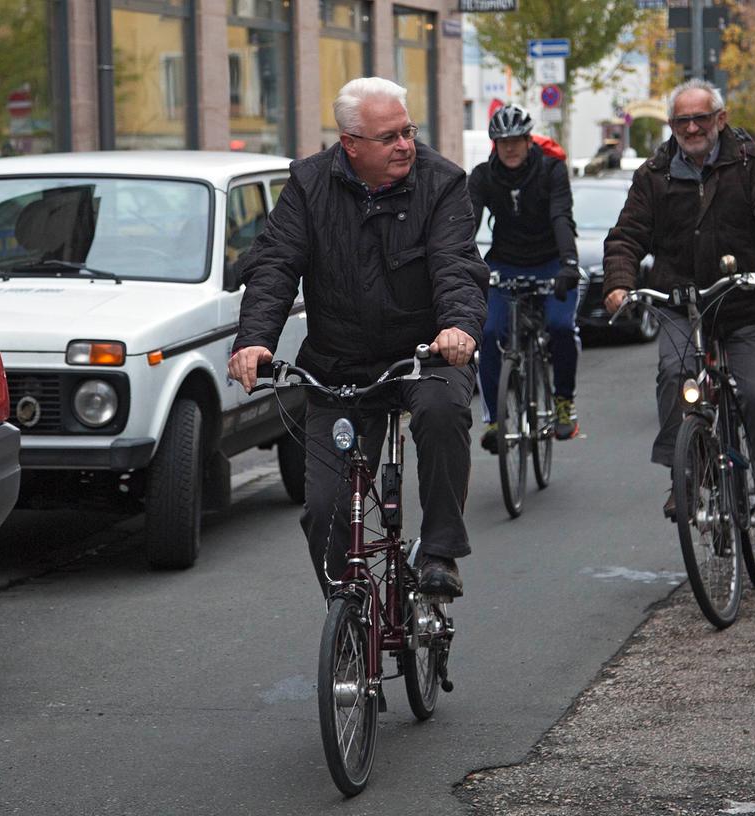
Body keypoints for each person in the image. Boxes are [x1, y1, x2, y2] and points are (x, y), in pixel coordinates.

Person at [227, 77, 488, 599]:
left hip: (426, 354)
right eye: (389, 137)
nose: (405, 145)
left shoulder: (442, 182)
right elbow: (277, 264)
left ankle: (439, 551)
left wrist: (458, 327)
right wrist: (254, 340)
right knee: (323, 509)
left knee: (441, 414)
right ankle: (350, 619)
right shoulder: (308, 184)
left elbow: (456, 265)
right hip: (338, 363)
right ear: (350, 143)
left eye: (408, 131)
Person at [602, 77, 755, 541]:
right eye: (682, 120)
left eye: (700, 118)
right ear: (671, 125)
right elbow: (627, 235)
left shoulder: (752, 165)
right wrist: (619, 282)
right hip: (681, 303)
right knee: (677, 376)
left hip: (744, 300)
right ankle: (688, 476)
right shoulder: (654, 174)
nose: (692, 127)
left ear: (721, 118)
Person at [468, 104, 583, 450]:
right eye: (503, 142)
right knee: (487, 334)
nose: (511, 148)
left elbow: (561, 217)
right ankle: (494, 421)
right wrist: (460, 266)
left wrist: (570, 263)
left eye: (517, 140)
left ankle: (563, 402)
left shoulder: (551, 171)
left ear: (528, 140)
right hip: (505, 263)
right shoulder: (482, 176)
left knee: (561, 327)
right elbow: (466, 226)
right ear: (494, 145)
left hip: (551, 262)